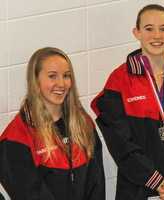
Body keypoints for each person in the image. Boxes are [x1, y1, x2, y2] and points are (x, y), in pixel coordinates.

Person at [91, 4, 164, 200]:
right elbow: (120, 143)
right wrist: (155, 180)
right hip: (137, 189)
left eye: (163, 28)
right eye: (149, 28)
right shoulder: (119, 80)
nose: (157, 35)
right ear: (137, 32)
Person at [0, 47, 105, 200]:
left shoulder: (83, 123)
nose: (61, 84)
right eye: (52, 76)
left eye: (66, 76)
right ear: (35, 80)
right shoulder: (17, 137)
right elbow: (28, 194)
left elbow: (97, 184)